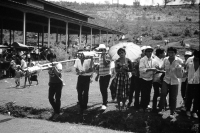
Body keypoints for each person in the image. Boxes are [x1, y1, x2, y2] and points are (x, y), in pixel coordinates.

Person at [158, 47, 183, 119]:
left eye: (172, 52)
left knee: (173, 97)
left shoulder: (179, 60)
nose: (171, 54)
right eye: (169, 52)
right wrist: (159, 68)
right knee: (163, 94)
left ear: (175, 53)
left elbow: (183, 69)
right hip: (166, 80)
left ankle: (172, 112)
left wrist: (181, 69)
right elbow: (162, 67)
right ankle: (161, 109)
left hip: (175, 81)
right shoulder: (165, 59)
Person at [139, 46, 157, 112]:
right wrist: (150, 69)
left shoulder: (154, 60)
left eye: (151, 52)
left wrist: (155, 70)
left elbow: (155, 68)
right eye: (148, 52)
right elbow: (141, 69)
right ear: (145, 53)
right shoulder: (142, 60)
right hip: (143, 78)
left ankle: (146, 105)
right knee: (143, 93)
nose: (149, 53)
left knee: (148, 93)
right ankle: (142, 106)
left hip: (150, 78)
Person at [95, 44, 111, 110]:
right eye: (100, 50)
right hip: (101, 75)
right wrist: (97, 75)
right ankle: (105, 101)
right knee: (102, 89)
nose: (100, 51)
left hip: (107, 75)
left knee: (104, 89)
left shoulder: (108, 56)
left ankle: (104, 103)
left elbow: (105, 63)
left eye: (101, 50)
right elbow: (100, 67)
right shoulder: (100, 56)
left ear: (104, 50)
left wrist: (104, 55)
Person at [47, 53, 63, 121]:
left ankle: (57, 112)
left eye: (52, 58)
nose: (51, 60)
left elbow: (59, 75)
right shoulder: (49, 64)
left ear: (55, 58)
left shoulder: (58, 65)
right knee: (50, 98)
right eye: (50, 58)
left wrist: (54, 67)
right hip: (52, 83)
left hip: (58, 83)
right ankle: (56, 110)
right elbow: (50, 74)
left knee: (57, 98)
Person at [185, 49, 199, 119]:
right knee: (189, 97)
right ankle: (188, 110)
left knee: (197, 97)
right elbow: (186, 68)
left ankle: (194, 111)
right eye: (196, 56)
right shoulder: (189, 59)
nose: (197, 58)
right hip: (190, 81)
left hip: (198, 82)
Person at [152, 48, 165, 112]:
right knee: (156, 93)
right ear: (160, 54)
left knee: (163, 93)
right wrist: (162, 71)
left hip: (162, 79)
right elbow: (154, 70)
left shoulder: (162, 60)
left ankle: (160, 105)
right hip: (156, 79)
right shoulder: (155, 60)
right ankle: (154, 107)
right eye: (163, 53)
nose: (164, 54)